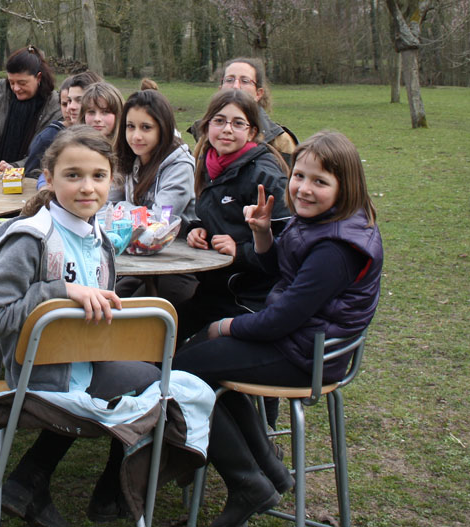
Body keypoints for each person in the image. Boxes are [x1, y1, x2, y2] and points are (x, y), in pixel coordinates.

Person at [175, 130, 382, 527]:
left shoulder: (334, 248)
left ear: (346, 186)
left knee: (185, 371)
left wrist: (226, 325)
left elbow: (281, 318)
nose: (304, 189)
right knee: (199, 366)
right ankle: (268, 470)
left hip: (305, 354)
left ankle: (248, 482)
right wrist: (263, 234)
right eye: (299, 176)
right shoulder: (320, 222)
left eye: (320, 181)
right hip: (300, 340)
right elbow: (278, 272)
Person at [0, 126, 162, 526]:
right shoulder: (31, 238)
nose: (86, 188)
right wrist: (59, 291)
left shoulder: (102, 241)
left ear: (111, 180)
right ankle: (76, 489)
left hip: (87, 364)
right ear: (49, 177)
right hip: (38, 378)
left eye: (98, 176)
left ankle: (63, 485)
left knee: (161, 385)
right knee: (152, 388)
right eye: (73, 175)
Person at [178, 89, 290, 342]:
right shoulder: (209, 164)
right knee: (160, 334)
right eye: (219, 121)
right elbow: (212, 215)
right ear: (207, 127)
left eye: (238, 123)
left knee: (183, 356)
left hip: (252, 298)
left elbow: (289, 248)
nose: (227, 129)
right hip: (214, 292)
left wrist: (239, 250)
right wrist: (197, 228)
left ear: (251, 132)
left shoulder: (265, 175)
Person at [109, 89, 197, 304]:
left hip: (179, 264)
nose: (136, 136)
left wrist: (121, 209)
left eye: (146, 128)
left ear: (162, 129)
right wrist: (119, 210)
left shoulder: (180, 166)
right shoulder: (130, 158)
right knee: (108, 299)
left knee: (132, 313)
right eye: (130, 127)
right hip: (139, 261)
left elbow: (159, 224)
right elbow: (104, 208)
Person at [0, 46, 62, 170]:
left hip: (30, 179)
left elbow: (49, 152)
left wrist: (15, 167)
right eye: (12, 82)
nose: (16, 88)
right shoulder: (1, 90)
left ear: (38, 77)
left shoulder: (56, 106)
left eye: (22, 83)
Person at [189, 58, 298, 165]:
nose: (236, 86)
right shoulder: (206, 133)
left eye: (245, 81)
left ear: (258, 93)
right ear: (220, 89)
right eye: (229, 80)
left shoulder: (280, 141)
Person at [28, 71, 103, 188]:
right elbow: (41, 172)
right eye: (68, 101)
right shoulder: (53, 138)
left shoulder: (117, 141)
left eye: (79, 100)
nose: (70, 107)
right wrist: (44, 186)